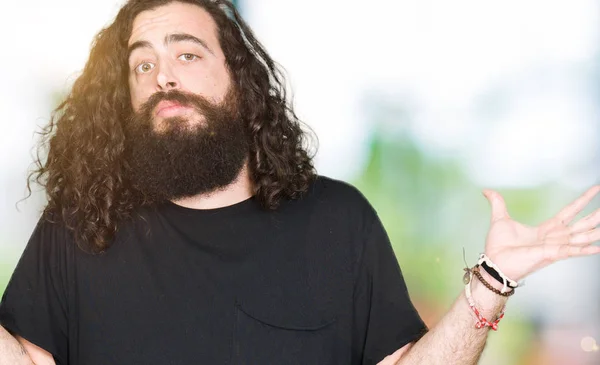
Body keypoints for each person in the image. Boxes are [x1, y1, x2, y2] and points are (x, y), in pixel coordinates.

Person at [0, 1, 598, 364]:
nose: (163, 77)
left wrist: (494, 281)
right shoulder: (78, 228)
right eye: (143, 64)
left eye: (186, 55)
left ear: (239, 81)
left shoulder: (337, 220)